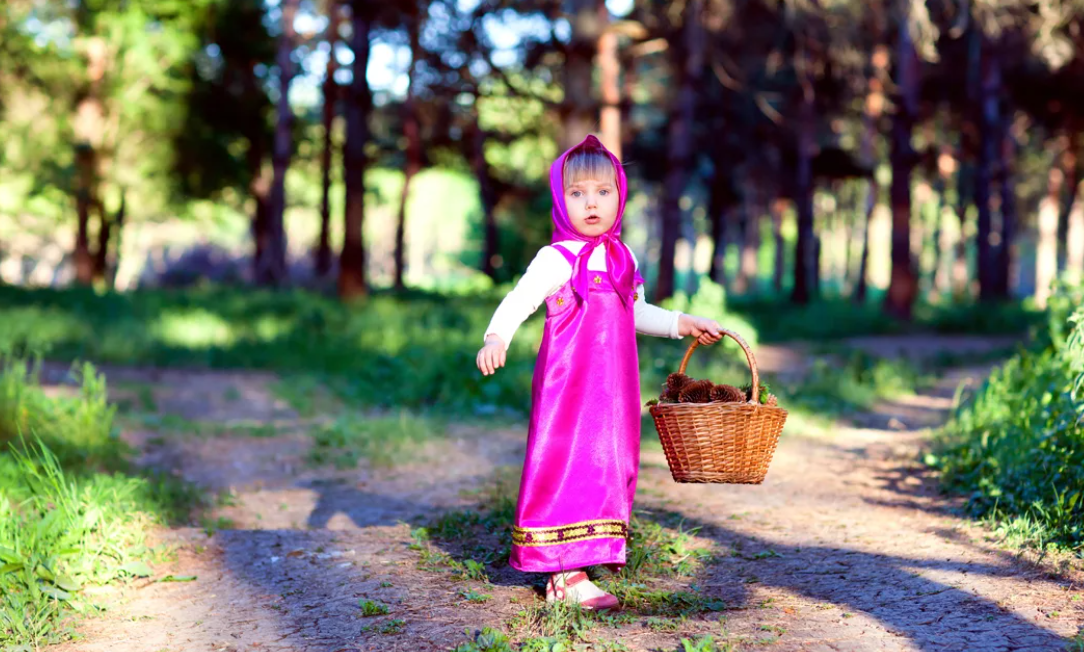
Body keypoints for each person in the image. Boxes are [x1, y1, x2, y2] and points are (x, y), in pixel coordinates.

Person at [476, 134, 723, 610]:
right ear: (560, 199)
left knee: (609, 464)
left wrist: (683, 323)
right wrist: (496, 336)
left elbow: (637, 312)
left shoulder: (622, 258)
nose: (591, 203)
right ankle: (564, 574)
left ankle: (587, 556)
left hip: (612, 391)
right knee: (566, 463)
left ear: (619, 196)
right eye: (577, 193)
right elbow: (519, 300)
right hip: (568, 390)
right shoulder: (558, 258)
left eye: (603, 192)